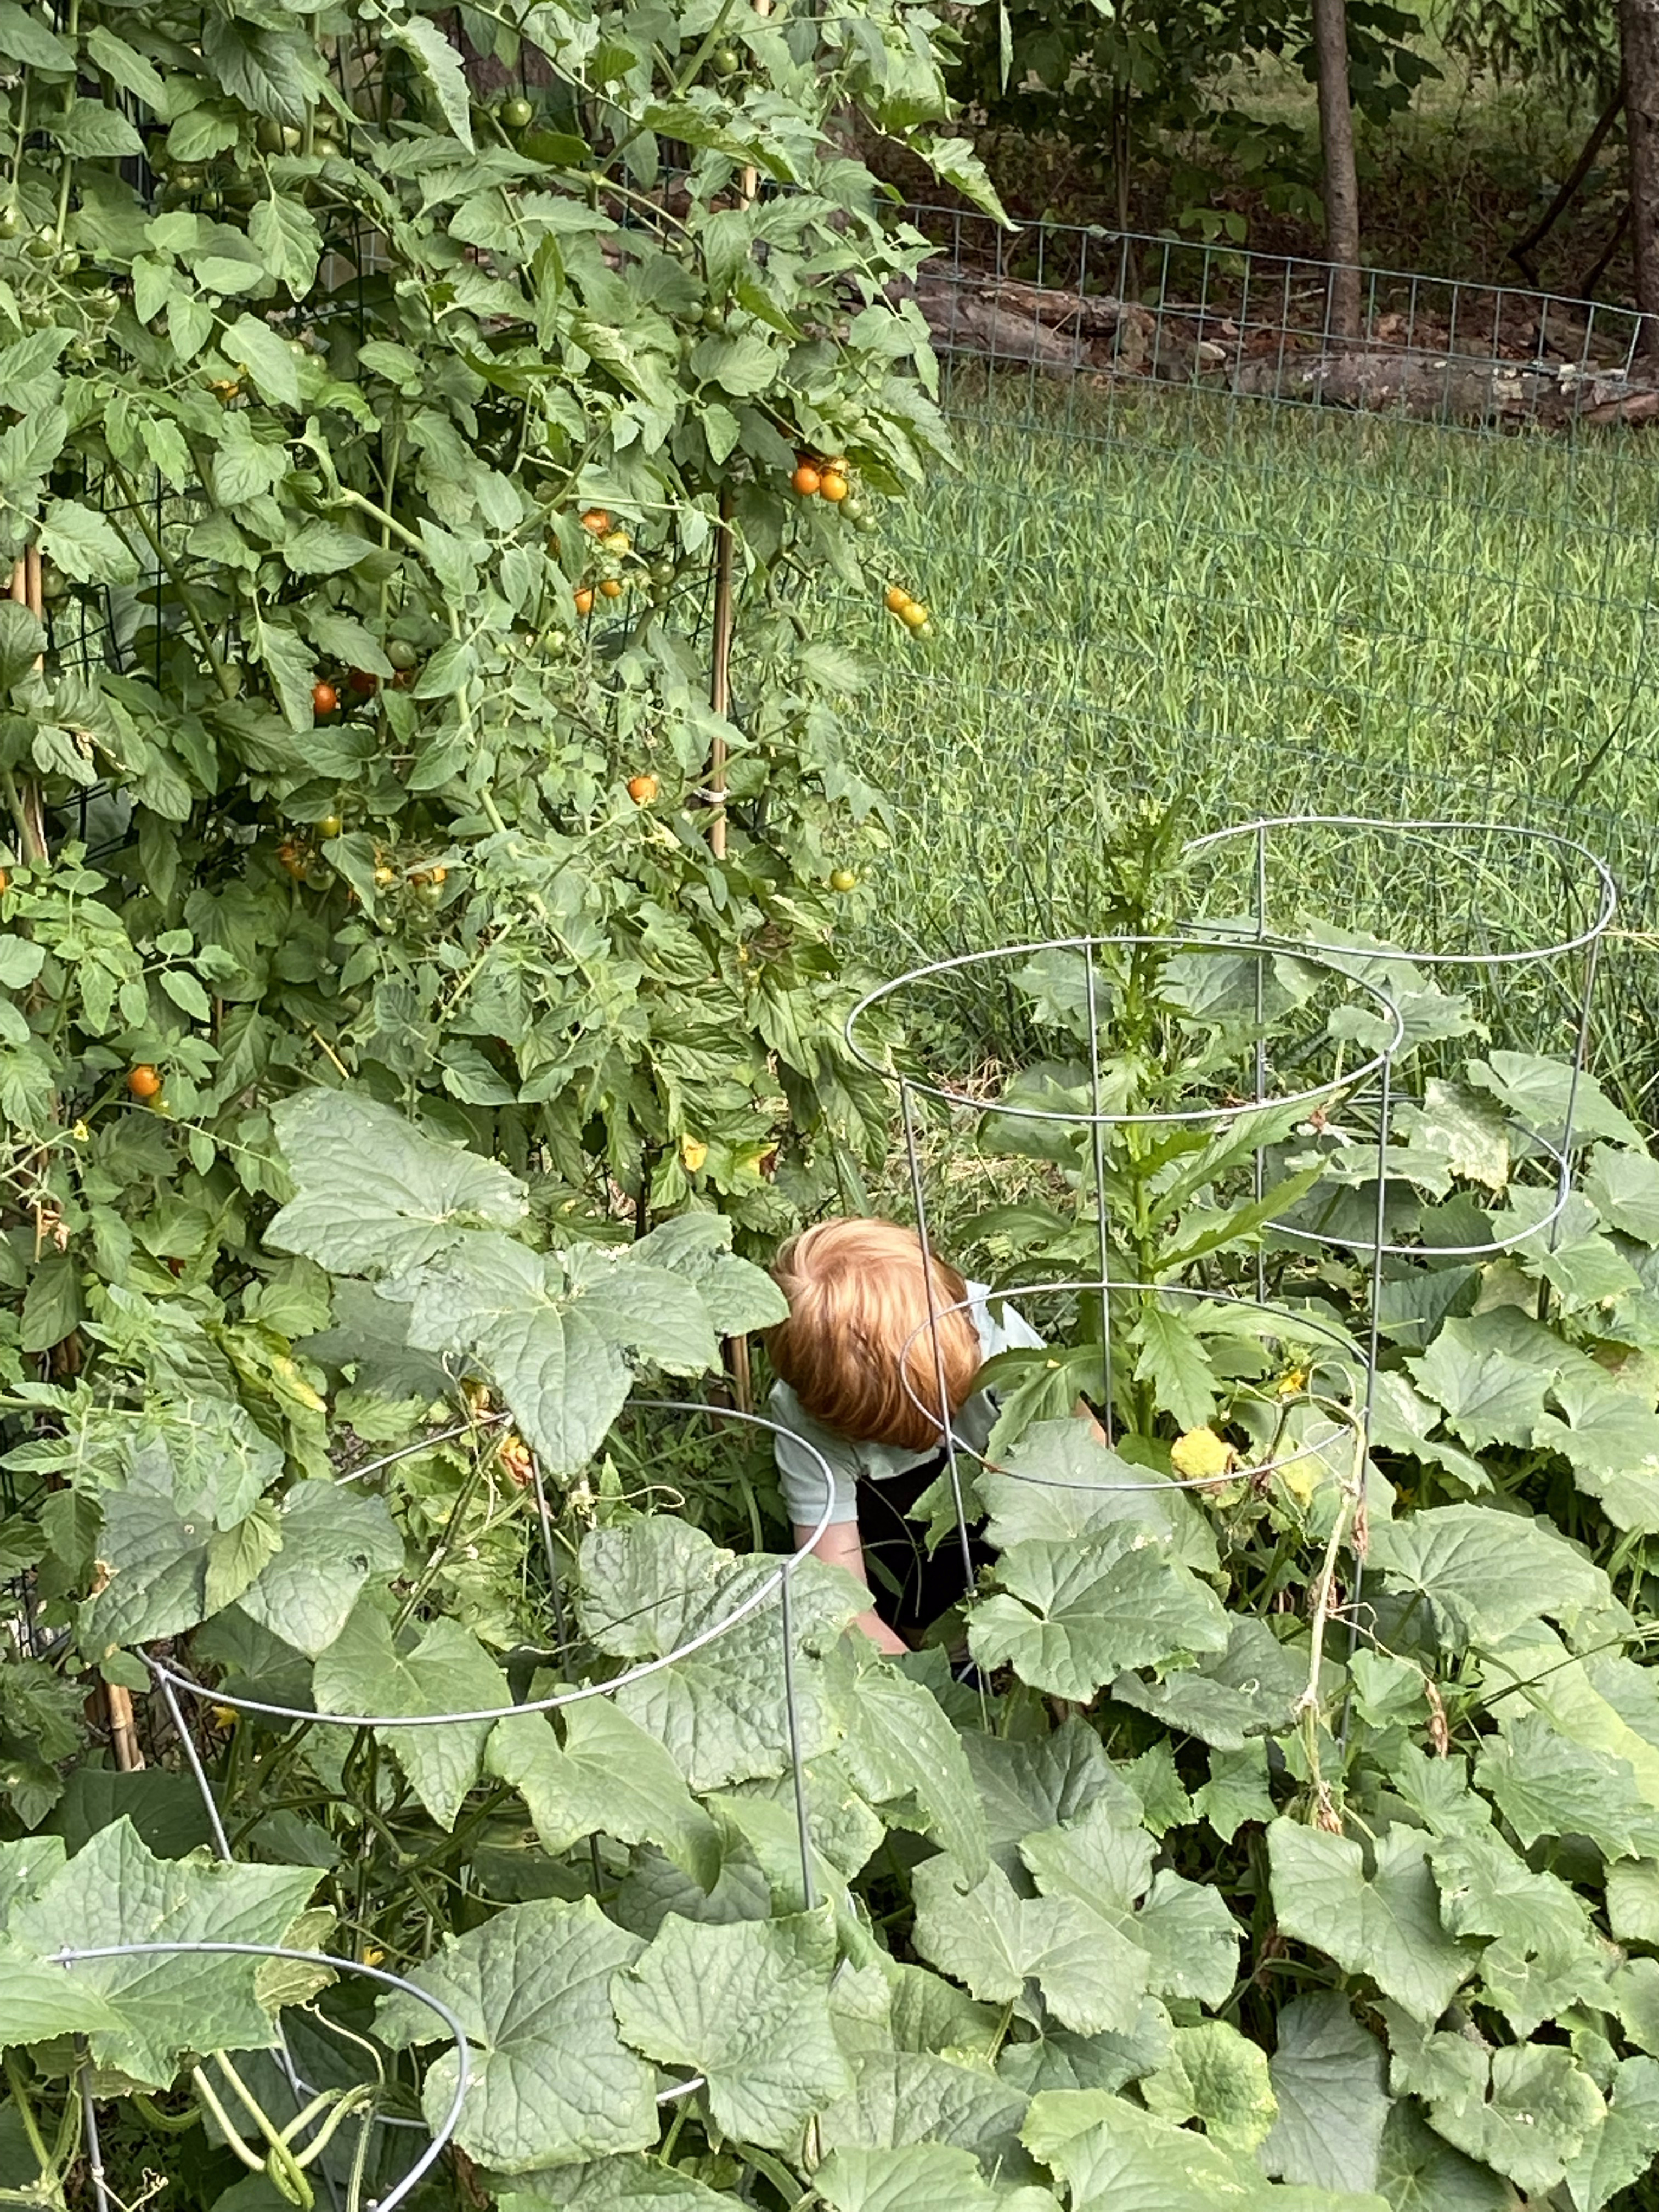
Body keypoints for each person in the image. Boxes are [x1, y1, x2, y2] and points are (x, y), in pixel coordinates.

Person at [766, 1217, 1044, 1654]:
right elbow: (842, 1599)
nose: (939, 1433)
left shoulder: (997, 1334)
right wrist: (928, 1695)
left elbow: (1084, 1447)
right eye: (898, 1433)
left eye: (948, 1404)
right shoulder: (802, 1419)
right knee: (897, 1556)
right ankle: (931, 1641)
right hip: (900, 1528)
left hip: (1019, 1492)